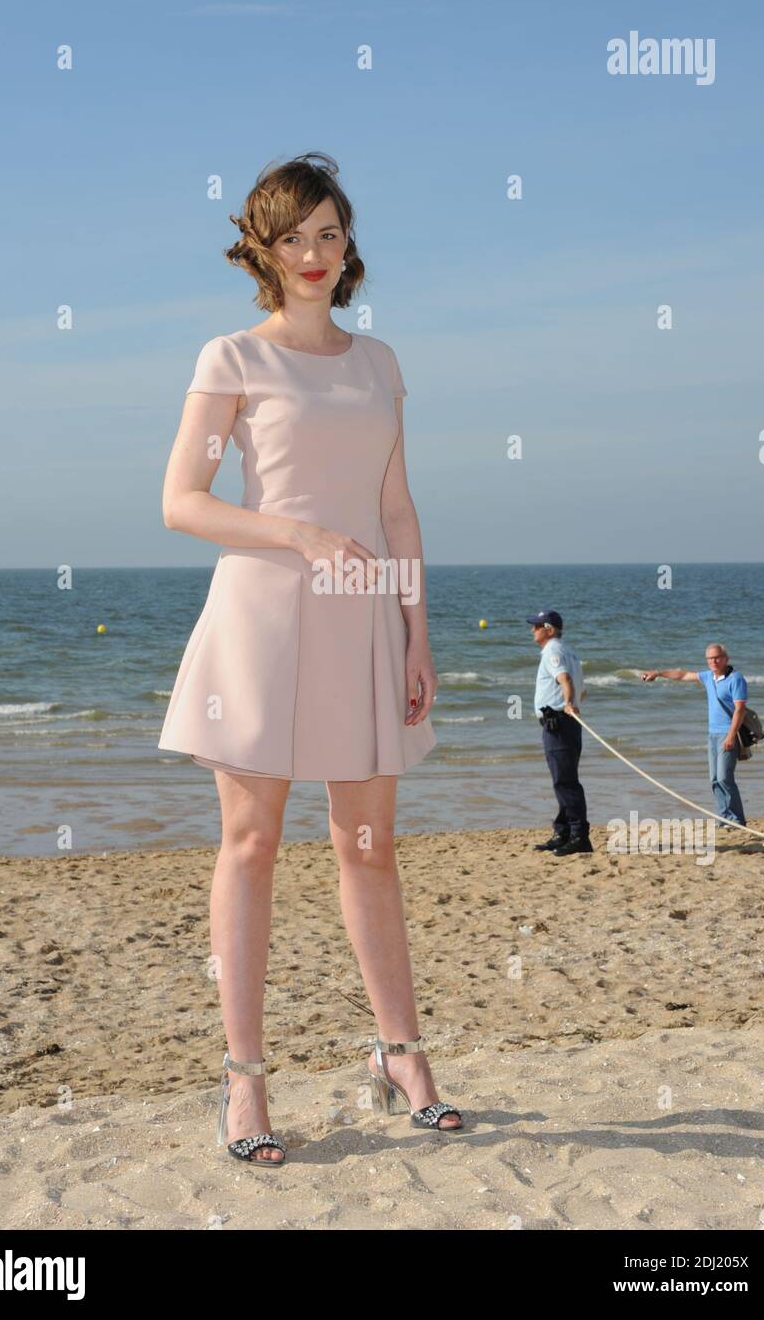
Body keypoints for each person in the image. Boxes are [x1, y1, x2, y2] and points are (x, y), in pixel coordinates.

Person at [158, 153, 462, 1166]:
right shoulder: (231, 360)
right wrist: (297, 537)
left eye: (329, 233)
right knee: (248, 845)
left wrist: (416, 631)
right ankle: (245, 1084)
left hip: (366, 617)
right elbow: (183, 503)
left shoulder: (378, 367)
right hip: (262, 617)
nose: (313, 254)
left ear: (349, 241)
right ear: (262, 248)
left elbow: (395, 508)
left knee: (367, 847)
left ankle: (402, 1057)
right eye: (292, 237)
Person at [641, 644, 748, 828]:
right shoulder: (708, 677)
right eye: (709, 658)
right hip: (712, 734)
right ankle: (724, 817)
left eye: (717, 657)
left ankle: (737, 819)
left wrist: (731, 736)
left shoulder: (735, 679)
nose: (713, 661)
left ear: (725, 658)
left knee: (724, 777)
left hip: (727, 733)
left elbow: (740, 710)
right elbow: (682, 675)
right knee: (714, 779)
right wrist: (658, 673)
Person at [528, 609, 592, 855]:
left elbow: (565, 680)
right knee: (564, 778)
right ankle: (563, 831)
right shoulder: (569, 652)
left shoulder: (553, 651)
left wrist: (567, 703)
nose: (532, 630)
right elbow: (583, 690)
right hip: (567, 724)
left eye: (536, 626)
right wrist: (573, 702)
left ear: (549, 629)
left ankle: (579, 835)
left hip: (559, 722)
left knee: (565, 781)